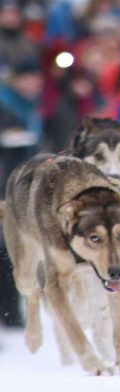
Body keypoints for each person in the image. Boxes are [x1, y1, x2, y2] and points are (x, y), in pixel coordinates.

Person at [0, 58, 44, 329]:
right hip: (7, 185)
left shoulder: (26, 107)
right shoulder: (9, 105)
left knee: (8, 251)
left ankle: (11, 314)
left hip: (13, 187)